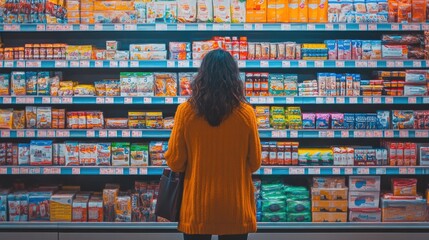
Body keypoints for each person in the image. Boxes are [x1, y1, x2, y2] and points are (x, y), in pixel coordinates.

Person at [165, 49, 262, 240]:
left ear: (201, 77)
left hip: (197, 209)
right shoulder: (246, 114)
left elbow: (175, 162)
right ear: (235, 78)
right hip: (235, 208)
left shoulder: (185, 112)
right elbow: (255, 162)